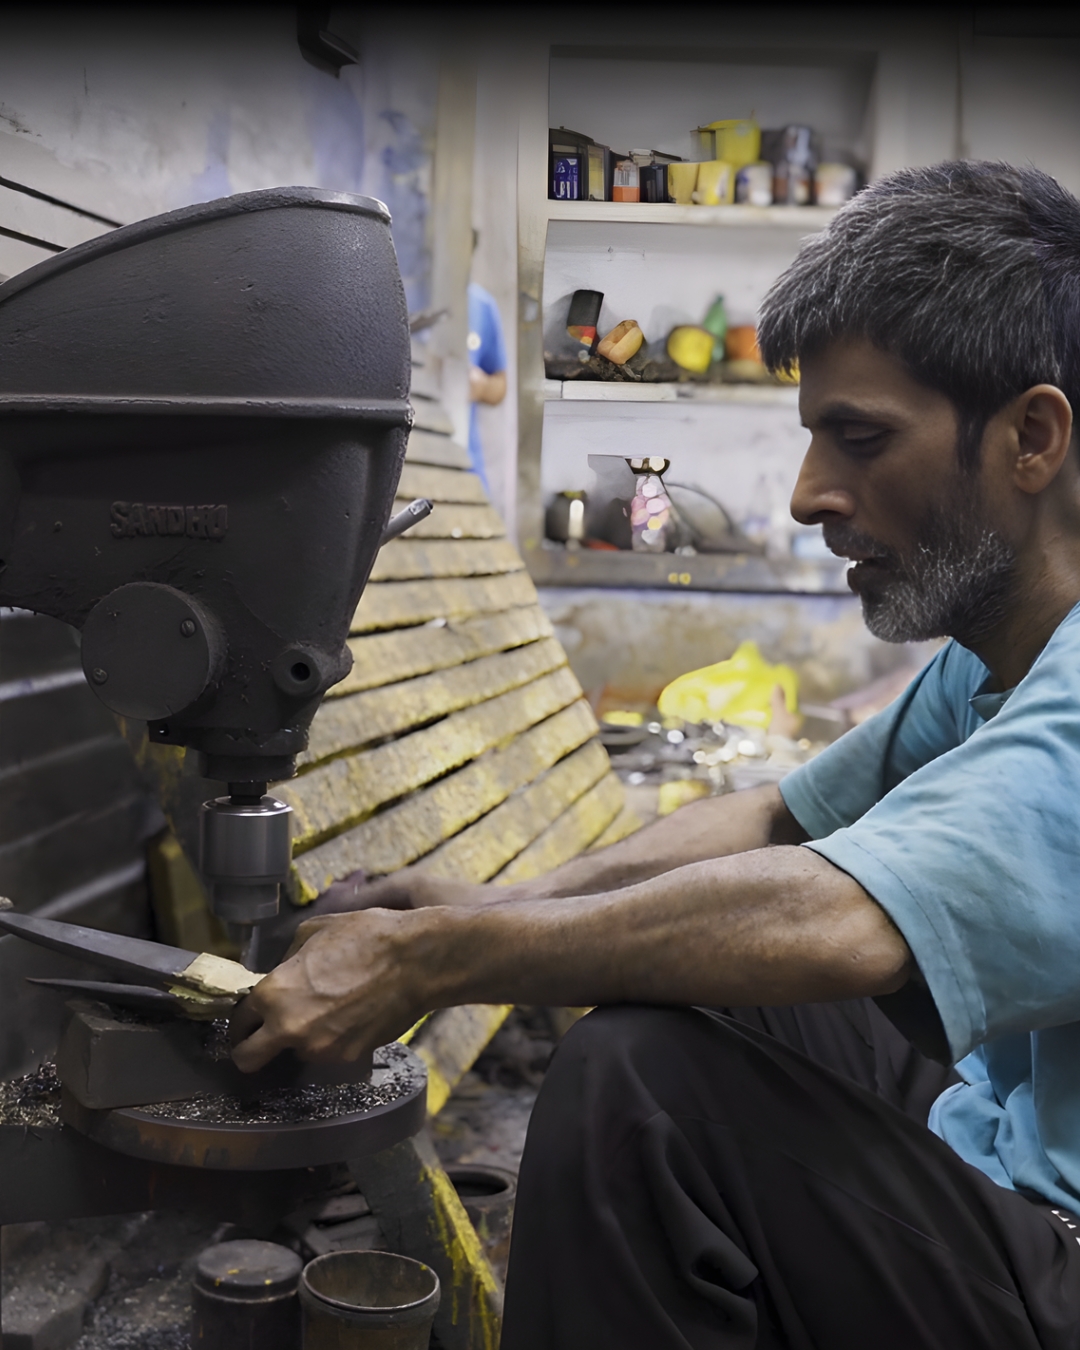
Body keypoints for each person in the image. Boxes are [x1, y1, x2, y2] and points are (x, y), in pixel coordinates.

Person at [232, 162, 1080, 1347]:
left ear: (1031, 437)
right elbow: (782, 823)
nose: (806, 495)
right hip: (999, 1128)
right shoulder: (995, 652)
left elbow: (848, 917)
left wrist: (432, 961)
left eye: (860, 437)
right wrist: (494, 905)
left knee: (639, 1090)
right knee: (686, 990)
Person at [466, 278, 507, 494]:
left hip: (464, 469)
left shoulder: (479, 303)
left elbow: (500, 386)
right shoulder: (389, 291)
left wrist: (480, 386)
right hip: (398, 470)